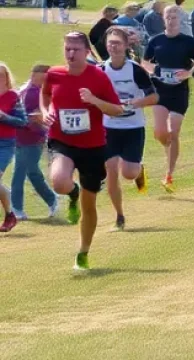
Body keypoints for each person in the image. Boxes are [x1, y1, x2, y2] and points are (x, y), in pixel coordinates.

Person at [43, 31, 127, 271]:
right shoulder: (54, 74)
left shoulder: (98, 77)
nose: (70, 54)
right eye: (67, 49)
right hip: (62, 141)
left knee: (89, 206)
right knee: (59, 181)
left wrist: (94, 101)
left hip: (92, 147)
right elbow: (45, 93)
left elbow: (117, 110)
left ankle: (83, 251)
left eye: (75, 50)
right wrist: (47, 110)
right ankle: (72, 193)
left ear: (87, 52)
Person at [101, 27, 158, 230]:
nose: (113, 47)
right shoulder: (101, 70)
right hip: (109, 127)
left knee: (129, 173)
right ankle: (119, 216)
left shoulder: (135, 70)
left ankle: (139, 170)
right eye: (110, 43)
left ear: (126, 45)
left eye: (117, 43)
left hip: (133, 127)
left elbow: (154, 97)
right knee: (111, 170)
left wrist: (134, 103)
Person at [142, 5, 194, 192]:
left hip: (179, 93)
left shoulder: (188, 42)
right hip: (160, 91)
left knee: (173, 132)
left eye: (174, 17)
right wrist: (155, 70)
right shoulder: (156, 40)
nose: (171, 20)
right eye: (168, 17)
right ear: (163, 19)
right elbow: (145, 62)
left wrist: (188, 73)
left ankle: (169, 174)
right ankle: (168, 147)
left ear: (180, 19)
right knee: (161, 133)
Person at [10, 64, 58, 221]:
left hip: (30, 139)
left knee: (23, 173)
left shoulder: (31, 90)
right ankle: (51, 200)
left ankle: (17, 208)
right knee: (30, 172)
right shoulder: (31, 92)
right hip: (25, 138)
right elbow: (29, 117)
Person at [0, 63, 28, 232]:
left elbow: (22, 121)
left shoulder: (13, 96)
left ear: (6, 78)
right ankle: (10, 215)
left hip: (4, 144)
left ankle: (10, 215)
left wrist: (4, 117)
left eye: (0, 75)